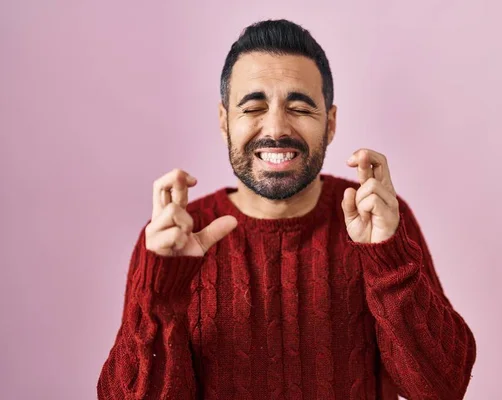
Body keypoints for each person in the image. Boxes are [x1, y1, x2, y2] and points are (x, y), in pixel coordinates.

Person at [97, 19, 476, 400]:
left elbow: (442, 388)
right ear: (224, 122)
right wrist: (162, 292)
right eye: (253, 108)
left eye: (299, 108)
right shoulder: (174, 239)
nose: (276, 127)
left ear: (329, 125)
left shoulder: (379, 219)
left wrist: (388, 260)